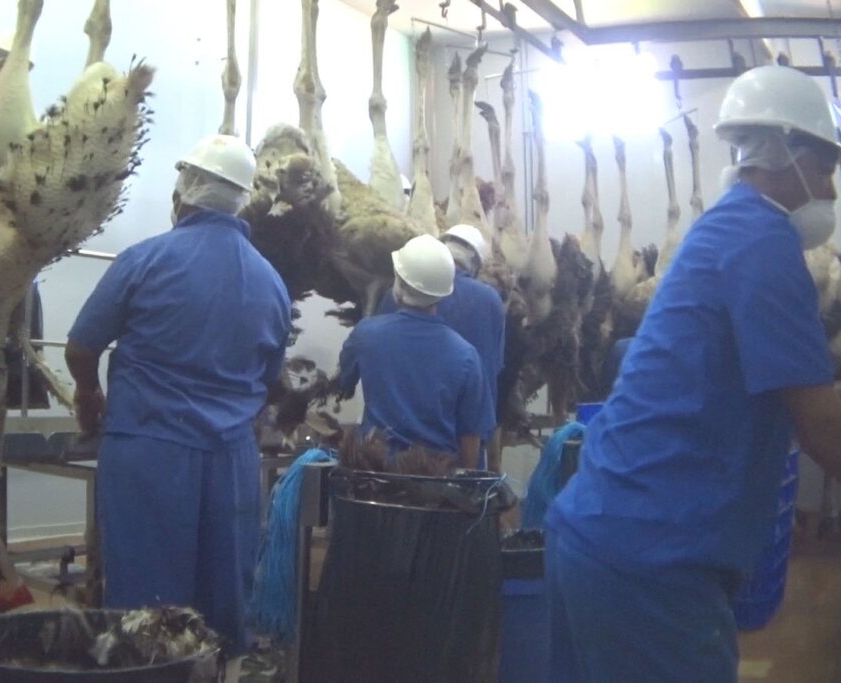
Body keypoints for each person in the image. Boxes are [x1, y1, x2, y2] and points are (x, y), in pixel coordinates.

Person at [545, 65, 841, 682]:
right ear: (786, 153)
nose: (832, 192)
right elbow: (822, 427)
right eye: (827, 169)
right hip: (653, 562)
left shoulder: (729, 228)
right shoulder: (763, 243)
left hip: (604, 539)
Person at [65, 134, 291, 679]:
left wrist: (88, 391)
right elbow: (269, 376)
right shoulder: (270, 281)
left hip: (150, 452)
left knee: (148, 609)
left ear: (186, 188)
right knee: (222, 603)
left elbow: (80, 346)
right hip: (232, 463)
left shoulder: (145, 259)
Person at [339, 233, 492, 468]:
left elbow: (342, 383)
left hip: (373, 480)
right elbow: (470, 441)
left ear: (398, 284)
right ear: (442, 293)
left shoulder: (366, 335)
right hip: (435, 489)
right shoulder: (467, 357)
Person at [378, 224, 504, 469]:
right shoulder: (490, 301)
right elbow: (494, 369)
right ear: (476, 263)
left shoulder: (389, 303)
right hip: (461, 446)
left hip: (393, 450)